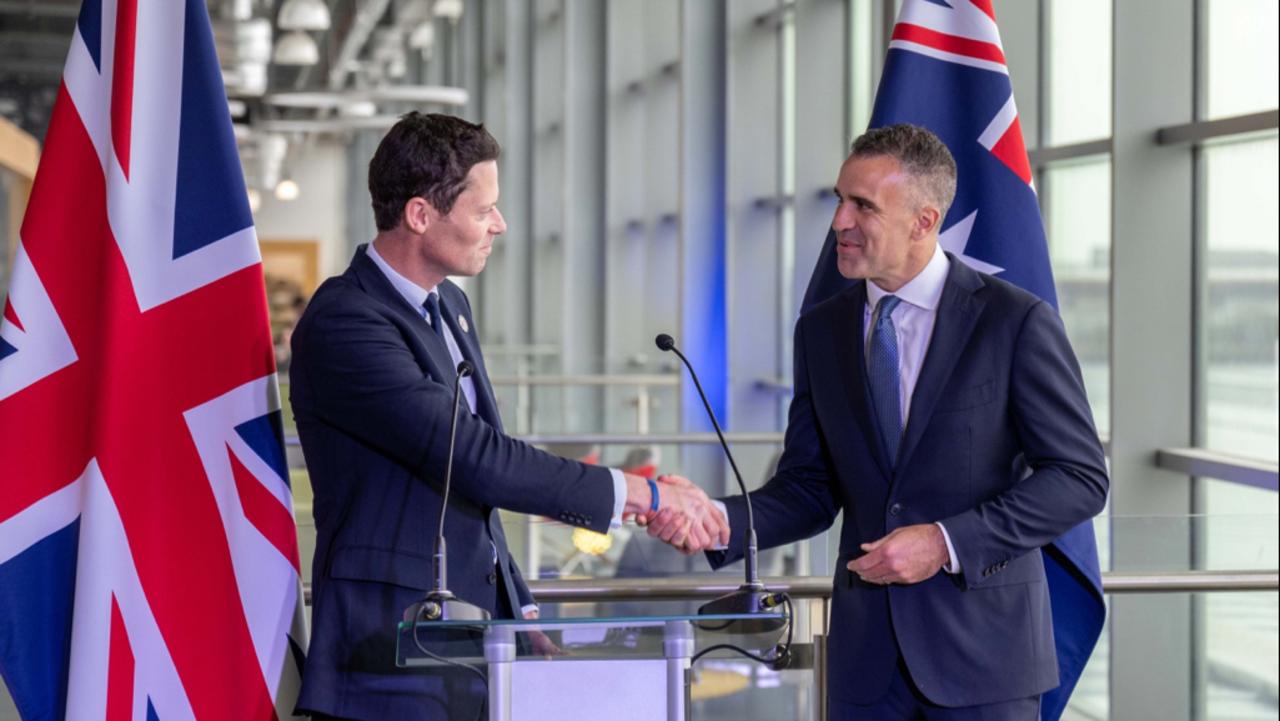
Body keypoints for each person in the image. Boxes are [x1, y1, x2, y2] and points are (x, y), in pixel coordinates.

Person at [646, 124, 1109, 720]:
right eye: (840, 199)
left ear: (924, 221)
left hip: (985, 663)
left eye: (862, 205)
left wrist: (944, 543)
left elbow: (1079, 477)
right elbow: (810, 488)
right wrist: (718, 521)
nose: (839, 221)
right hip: (865, 668)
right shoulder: (822, 328)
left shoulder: (1013, 322)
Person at [289, 112, 727, 721]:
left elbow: (475, 495)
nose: (500, 224)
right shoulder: (347, 322)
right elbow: (472, 458)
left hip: (464, 643)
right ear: (420, 215)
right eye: (483, 209)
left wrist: (513, 612)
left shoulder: (449, 304)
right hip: (386, 655)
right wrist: (645, 495)